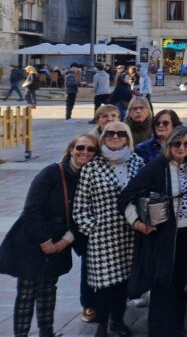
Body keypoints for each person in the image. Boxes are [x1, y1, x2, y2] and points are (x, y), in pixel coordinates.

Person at [0, 134, 98, 337]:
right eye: (80, 147)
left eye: (91, 149)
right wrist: (45, 241)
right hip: (32, 240)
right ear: (71, 149)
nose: (85, 152)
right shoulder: (51, 173)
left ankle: (47, 332)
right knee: (27, 291)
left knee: (49, 289)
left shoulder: (90, 177)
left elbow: (86, 213)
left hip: (61, 241)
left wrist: (65, 241)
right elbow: (32, 210)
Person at [118, 126, 187, 337]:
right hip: (163, 235)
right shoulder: (156, 166)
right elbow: (126, 196)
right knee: (163, 282)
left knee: (182, 282)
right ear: (169, 145)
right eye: (177, 143)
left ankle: (177, 327)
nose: (182, 148)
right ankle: (159, 330)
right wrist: (137, 223)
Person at [72, 121, 145, 337]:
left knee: (122, 282)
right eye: (110, 133)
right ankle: (102, 324)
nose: (115, 137)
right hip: (102, 236)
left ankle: (118, 321)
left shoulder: (137, 162)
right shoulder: (92, 166)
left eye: (120, 133)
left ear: (127, 138)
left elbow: (144, 195)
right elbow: (80, 204)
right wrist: (92, 229)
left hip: (129, 233)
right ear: (103, 137)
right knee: (103, 284)